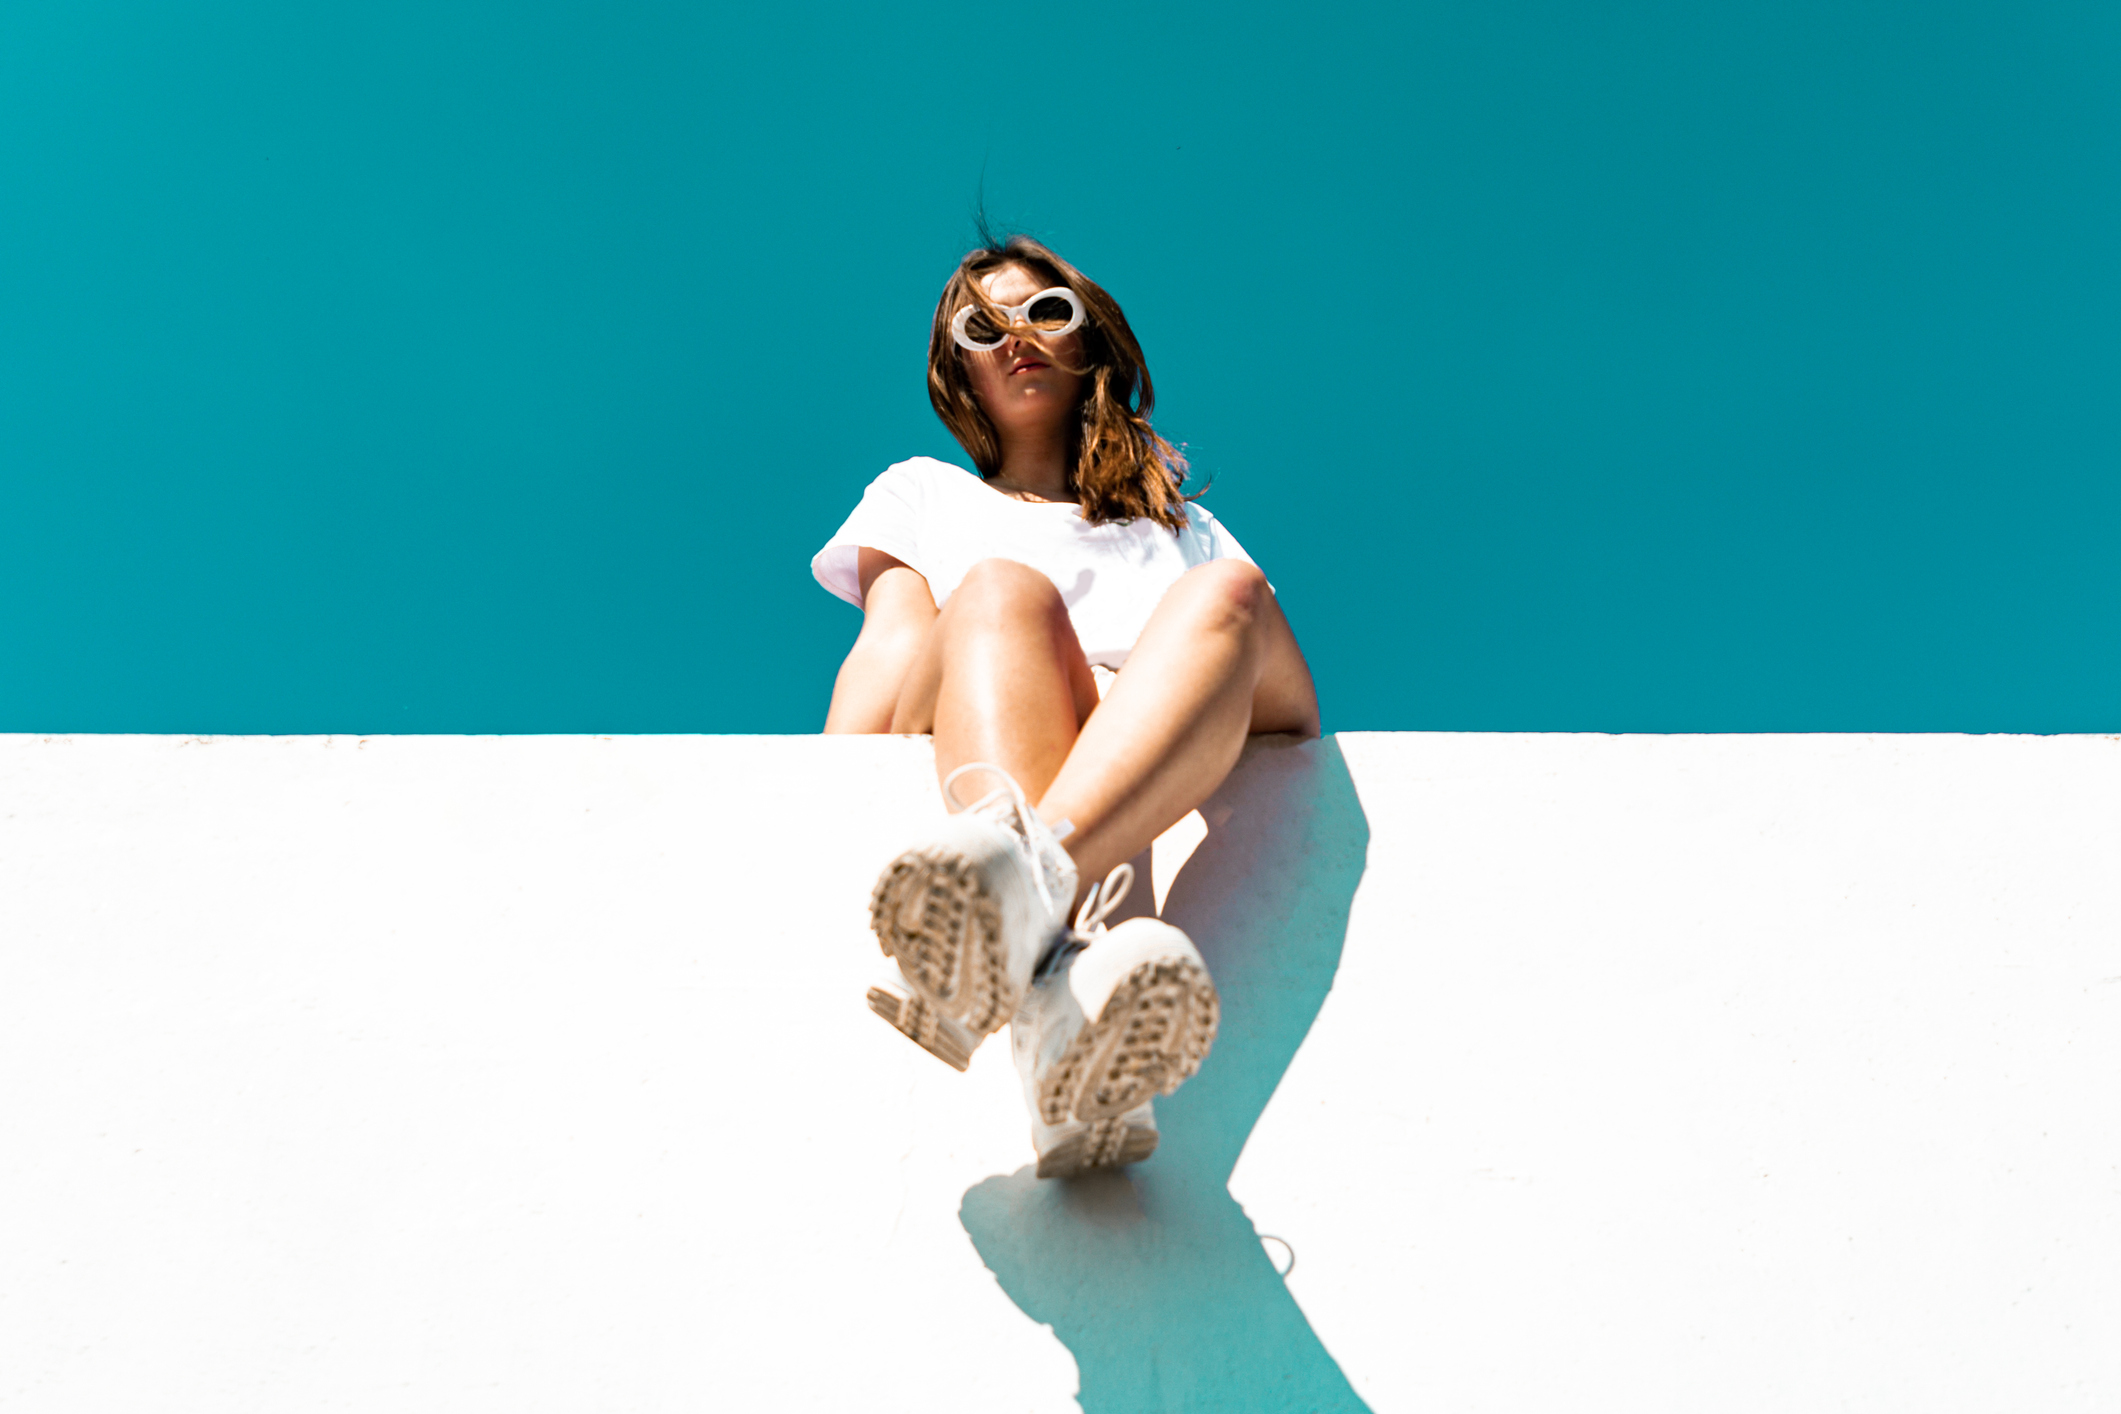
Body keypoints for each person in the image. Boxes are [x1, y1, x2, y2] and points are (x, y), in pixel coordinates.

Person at [814, 234, 1320, 1177]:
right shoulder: (923, 492)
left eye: (1047, 313)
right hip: (990, 682)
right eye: (983, 324)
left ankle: (1029, 937)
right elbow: (889, 643)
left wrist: (1124, 689)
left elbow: (1269, 689)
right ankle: (1057, 985)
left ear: (1089, 340)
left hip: (1150, 731)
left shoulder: (1185, 527)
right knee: (1005, 591)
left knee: (1229, 597)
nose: (1017, 337)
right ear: (956, 365)